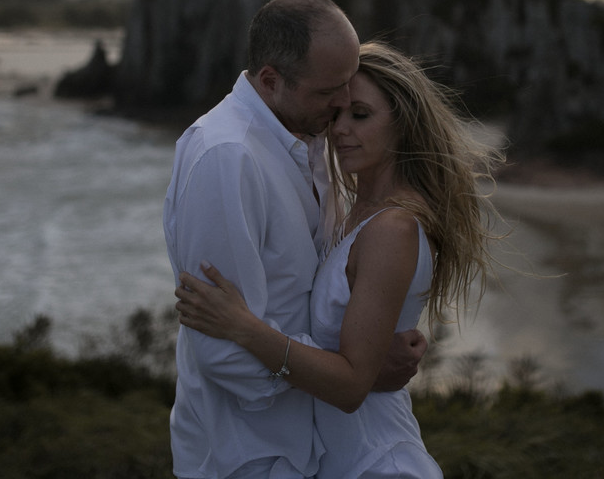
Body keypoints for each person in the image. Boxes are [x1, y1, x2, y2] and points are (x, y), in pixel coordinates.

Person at [177, 41, 504, 479]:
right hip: (336, 459)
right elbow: (352, 356)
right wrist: (371, 364)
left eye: (360, 115)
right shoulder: (352, 209)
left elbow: (350, 387)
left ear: (403, 124)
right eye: (336, 114)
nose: (339, 130)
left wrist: (245, 328)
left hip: (376, 460)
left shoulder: (392, 227)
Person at [163, 0, 427, 479]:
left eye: (350, 86)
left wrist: (358, 364)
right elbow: (223, 354)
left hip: (306, 450)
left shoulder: (310, 141)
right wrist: (356, 370)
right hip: (244, 455)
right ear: (271, 80)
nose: (344, 102)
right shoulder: (228, 157)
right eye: (331, 90)